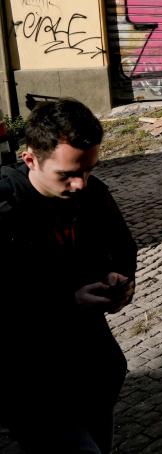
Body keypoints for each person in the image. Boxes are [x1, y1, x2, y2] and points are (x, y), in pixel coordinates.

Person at [0, 98, 137, 453]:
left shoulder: (93, 194)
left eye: (88, 170)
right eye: (68, 174)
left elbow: (123, 248)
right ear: (30, 159)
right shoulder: (6, 206)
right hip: (25, 369)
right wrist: (67, 300)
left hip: (90, 362)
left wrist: (119, 280)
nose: (80, 184)